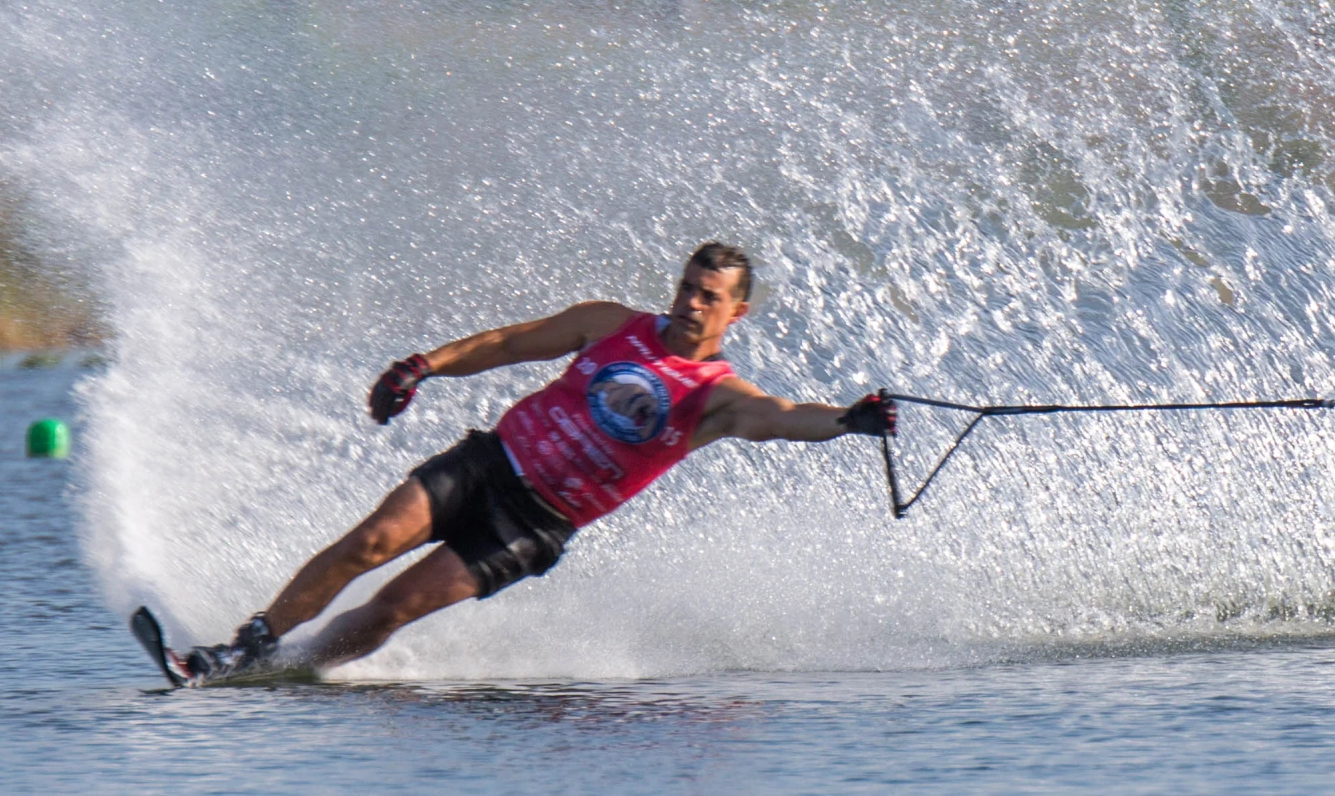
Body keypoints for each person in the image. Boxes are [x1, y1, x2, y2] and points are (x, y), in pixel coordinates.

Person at [165, 242, 891, 683]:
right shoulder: (614, 324)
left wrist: (851, 421)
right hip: (490, 462)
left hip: (532, 526)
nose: (691, 303)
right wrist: (422, 367)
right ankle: (244, 648)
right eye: (686, 287)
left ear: (737, 313)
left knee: (394, 608)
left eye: (710, 297)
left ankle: (297, 666)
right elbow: (511, 344)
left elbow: (793, 418)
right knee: (371, 542)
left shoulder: (721, 398)